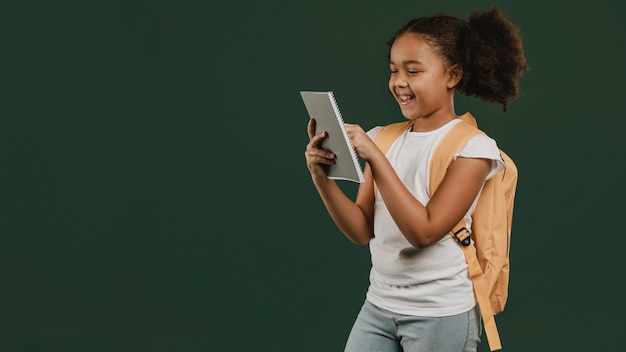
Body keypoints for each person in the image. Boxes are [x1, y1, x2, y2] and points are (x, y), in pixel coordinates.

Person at [304, 6, 527, 352]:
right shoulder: (382, 137)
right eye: (394, 70)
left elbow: (424, 232)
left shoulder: (475, 149)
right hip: (378, 305)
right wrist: (322, 178)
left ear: (452, 75)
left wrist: (376, 159)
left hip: (441, 314)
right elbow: (362, 230)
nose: (399, 82)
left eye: (414, 71)